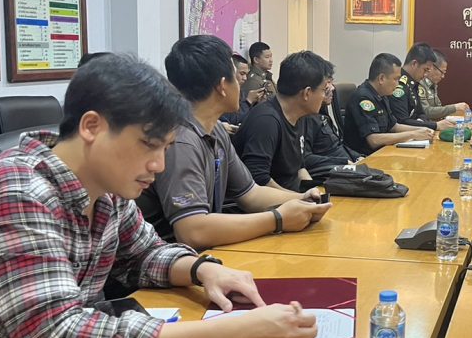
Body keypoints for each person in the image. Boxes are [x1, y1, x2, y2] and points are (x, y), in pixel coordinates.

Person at [0, 54, 320, 338]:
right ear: (92, 127)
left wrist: (203, 270)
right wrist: (233, 335)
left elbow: (144, 253)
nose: (159, 165)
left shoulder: (106, 187)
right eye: (149, 145)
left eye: (166, 148)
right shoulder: (15, 194)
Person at [137, 35, 330, 249]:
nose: (241, 83)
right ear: (222, 86)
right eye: (236, 76)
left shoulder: (215, 130)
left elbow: (251, 193)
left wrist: (301, 199)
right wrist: (278, 219)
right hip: (169, 260)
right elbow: (192, 231)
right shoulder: (181, 140)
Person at [234, 51, 334, 192]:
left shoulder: (300, 116)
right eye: (324, 90)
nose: (324, 96)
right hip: (273, 202)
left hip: (293, 197)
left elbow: (299, 168)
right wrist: (300, 199)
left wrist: (313, 192)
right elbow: (258, 180)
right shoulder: (266, 121)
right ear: (307, 93)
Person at [343, 53, 436, 156]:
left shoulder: (382, 94)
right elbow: (373, 140)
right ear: (381, 78)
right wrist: (413, 134)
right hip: (365, 157)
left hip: (384, 152)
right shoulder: (363, 98)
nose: (398, 84)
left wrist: (422, 130)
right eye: (396, 79)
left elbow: (394, 126)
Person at [301, 76, 361, 182]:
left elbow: (339, 145)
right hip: (335, 175)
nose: (332, 88)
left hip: (350, 167)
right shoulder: (306, 119)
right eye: (328, 82)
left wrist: (358, 157)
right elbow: (305, 159)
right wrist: (343, 163)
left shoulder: (322, 113)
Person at [389, 43, 455, 131]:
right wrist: (434, 125)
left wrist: (421, 121)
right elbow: (402, 121)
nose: (426, 74)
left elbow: (421, 113)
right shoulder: (399, 84)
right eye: (425, 70)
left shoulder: (414, 83)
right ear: (414, 64)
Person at [418, 48, 470, 121]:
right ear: (431, 67)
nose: (443, 76)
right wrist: (454, 107)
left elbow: (437, 107)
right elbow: (426, 111)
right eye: (442, 72)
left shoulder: (432, 85)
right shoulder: (420, 84)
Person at [220, 53, 263, 129]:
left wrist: (255, 103)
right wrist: (248, 102)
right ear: (231, 73)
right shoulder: (221, 93)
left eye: (246, 74)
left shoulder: (241, 92)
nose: (245, 78)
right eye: (242, 74)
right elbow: (232, 119)